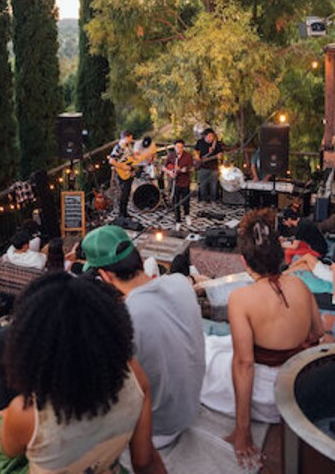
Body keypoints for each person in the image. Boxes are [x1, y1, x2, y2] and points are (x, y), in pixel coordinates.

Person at [0, 272, 166, 474]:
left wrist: (7, 418)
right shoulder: (134, 375)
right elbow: (144, 461)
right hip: (104, 464)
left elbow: (8, 451)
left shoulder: (28, 413)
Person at [200, 209, 322, 469]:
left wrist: (242, 431)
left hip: (270, 398)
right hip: (297, 386)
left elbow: (244, 365)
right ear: (280, 255)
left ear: (244, 261)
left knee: (203, 357)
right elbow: (317, 333)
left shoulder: (241, 299)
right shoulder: (300, 285)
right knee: (218, 345)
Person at [82, 225, 205, 449]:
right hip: (190, 408)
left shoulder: (125, 318)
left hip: (157, 430)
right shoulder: (180, 283)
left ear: (105, 275)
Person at [162, 139, 193, 232]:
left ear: (183, 147)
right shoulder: (171, 156)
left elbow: (192, 168)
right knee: (176, 202)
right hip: (174, 182)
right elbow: (164, 167)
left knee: (186, 201)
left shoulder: (188, 156)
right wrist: (170, 172)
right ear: (175, 147)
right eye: (177, 147)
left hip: (185, 182)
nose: (179, 149)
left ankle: (187, 215)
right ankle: (178, 220)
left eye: (181, 147)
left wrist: (186, 170)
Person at [109, 130, 135, 219]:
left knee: (127, 193)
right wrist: (123, 167)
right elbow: (112, 160)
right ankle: (121, 214)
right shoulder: (118, 147)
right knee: (123, 193)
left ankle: (125, 212)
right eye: (130, 138)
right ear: (126, 137)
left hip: (128, 171)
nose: (131, 139)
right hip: (121, 172)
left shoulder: (128, 146)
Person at [194, 128, 223, 203]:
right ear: (205, 136)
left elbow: (220, 153)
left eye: (212, 136)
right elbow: (196, 150)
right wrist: (197, 156)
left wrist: (219, 156)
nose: (211, 138)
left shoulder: (216, 144)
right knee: (202, 184)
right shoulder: (200, 142)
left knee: (214, 185)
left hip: (213, 167)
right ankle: (203, 200)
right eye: (209, 136)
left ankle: (213, 200)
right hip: (202, 167)